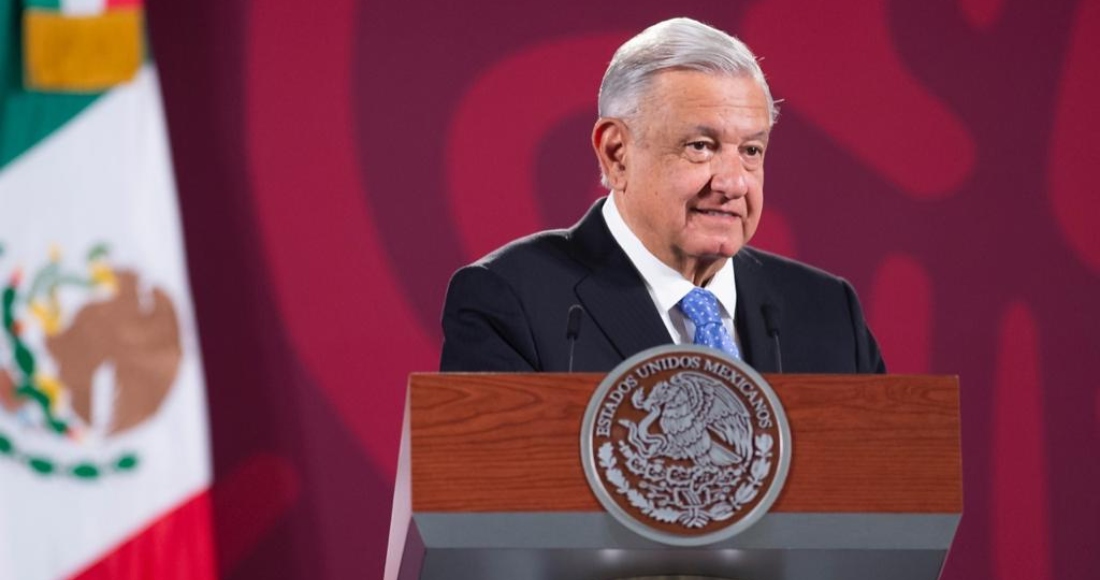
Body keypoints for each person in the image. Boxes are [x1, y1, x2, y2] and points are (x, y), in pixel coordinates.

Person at [439, 17, 885, 374]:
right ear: (617, 154)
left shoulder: (829, 311)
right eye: (700, 147)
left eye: (751, 150)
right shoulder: (510, 299)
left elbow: (885, 483)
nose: (733, 183)